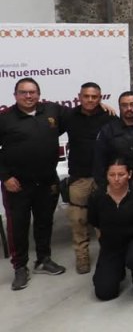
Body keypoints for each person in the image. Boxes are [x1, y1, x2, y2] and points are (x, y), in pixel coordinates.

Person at [1, 78, 71, 290]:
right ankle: (20, 267)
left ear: (39, 94)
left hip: (47, 180)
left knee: (44, 222)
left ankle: (43, 259)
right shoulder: (4, 119)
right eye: (23, 92)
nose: (28, 96)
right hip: (17, 184)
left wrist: (103, 106)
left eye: (32, 92)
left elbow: (81, 115)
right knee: (18, 226)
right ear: (15, 95)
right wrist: (5, 177)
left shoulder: (52, 110)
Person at [65, 82, 116, 274]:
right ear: (79, 96)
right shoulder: (68, 116)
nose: (90, 100)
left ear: (100, 98)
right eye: (86, 96)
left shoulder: (109, 117)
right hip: (79, 177)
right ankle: (82, 257)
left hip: (104, 177)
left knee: (105, 219)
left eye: (95, 97)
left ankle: (109, 254)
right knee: (78, 220)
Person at [89, 158, 133, 300]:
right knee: (104, 293)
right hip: (111, 244)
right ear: (106, 176)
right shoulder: (97, 196)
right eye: (112, 175)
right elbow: (94, 221)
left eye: (121, 174)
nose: (116, 179)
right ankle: (118, 270)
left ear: (129, 174)